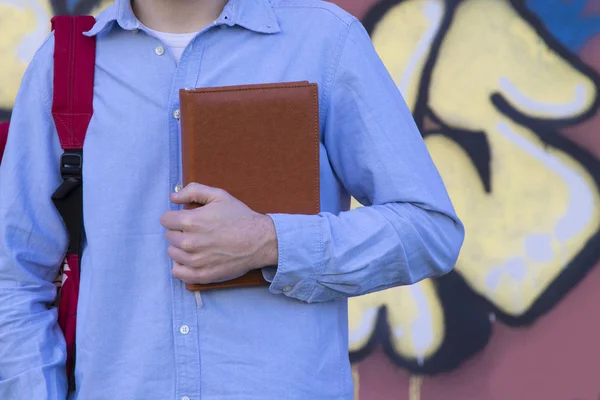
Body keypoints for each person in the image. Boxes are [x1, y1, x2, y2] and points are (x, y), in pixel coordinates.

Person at [0, 0, 465, 398]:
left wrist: (270, 243)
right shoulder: (63, 66)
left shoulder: (324, 42)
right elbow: (14, 277)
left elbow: (429, 229)